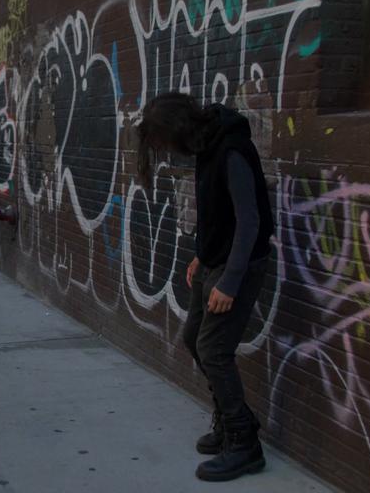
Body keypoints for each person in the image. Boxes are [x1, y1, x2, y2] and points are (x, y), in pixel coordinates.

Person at [136, 92, 274, 482]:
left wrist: (229, 282)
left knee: (214, 350)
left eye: (163, 142)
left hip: (239, 267)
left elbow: (249, 222)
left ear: (179, 130)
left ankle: (244, 444)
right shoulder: (206, 146)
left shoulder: (231, 150)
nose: (165, 151)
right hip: (215, 261)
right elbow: (218, 213)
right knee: (196, 338)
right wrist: (202, 254)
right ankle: (232, 421)